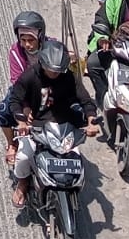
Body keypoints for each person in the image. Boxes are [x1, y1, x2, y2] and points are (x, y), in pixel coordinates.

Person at [8, 38, 101, 207]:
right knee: (23, 157)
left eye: (58, 70)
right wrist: (21, 121)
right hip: (36, 126)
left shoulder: (69, 78)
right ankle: (22, 183)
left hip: (64, 126)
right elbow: (15, 99)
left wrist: (91, 121)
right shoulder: (30, 76)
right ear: (43, 63)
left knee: (75, 160)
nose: (54, 73)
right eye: (51, 69)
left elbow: (86, 100)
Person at [0, 11, 46, 164]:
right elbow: (18, 83)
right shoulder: (15, 52)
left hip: (48, 90)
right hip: (24, 93)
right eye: (23, 40)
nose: (27, 45)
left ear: (40, 36)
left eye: (31, 40)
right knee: (3, 111)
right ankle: (12, 143)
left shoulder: (53, 47)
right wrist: (25, 107)